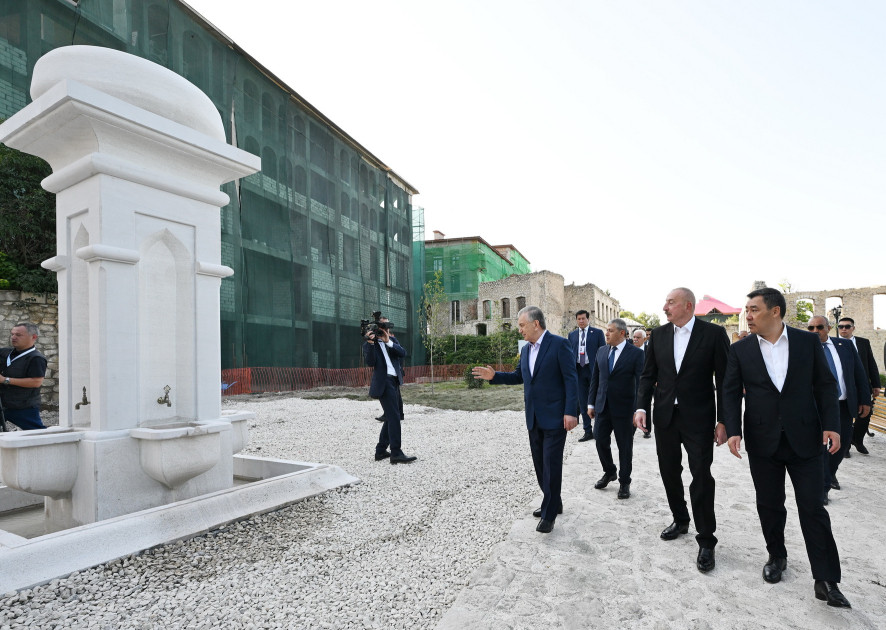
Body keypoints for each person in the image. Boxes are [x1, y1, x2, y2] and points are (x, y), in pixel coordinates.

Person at [722, 288, 850, 608]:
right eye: (747, 310)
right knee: (769, 505)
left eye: (753, 309)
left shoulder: (807, 342)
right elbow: (729, 391)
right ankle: (776, 556)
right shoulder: (740, 350)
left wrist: (832, 425)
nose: (748, 315)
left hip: (806, 438)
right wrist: (733, 430)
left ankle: (826, 579)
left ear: (775, 311)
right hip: (762, 439)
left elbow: (825, 384)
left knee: (813, 508)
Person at [634, 288, 729, 573]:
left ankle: (706, 539)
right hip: (665, 416)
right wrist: (641, 407)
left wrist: (724, 420)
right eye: (665, 302)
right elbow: (648, 375)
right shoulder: (658, 335)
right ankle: (680, 519)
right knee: (668, 471)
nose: (665, 307)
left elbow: (725, 380)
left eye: (671, 303)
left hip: (699, 418)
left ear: (688, 306)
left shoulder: (713, 335)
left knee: (701, 475)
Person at [473, 306, 578, 534]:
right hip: (533, 417)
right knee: (540, 465)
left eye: (522, 325)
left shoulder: (559, 345)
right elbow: (519, 376)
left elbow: (571, 379)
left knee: (551, 466)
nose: (519, 329)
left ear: (535, 324)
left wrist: (571, 412)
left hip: (555, 417)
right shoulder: (526, 349)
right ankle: (554, 501)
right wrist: (495, 376)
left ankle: (549, 514)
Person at [805, 316, 869, 501]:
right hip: (816, 407)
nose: (815, 331)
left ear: (828, 327)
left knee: (841, 445)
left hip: (843, 405)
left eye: (819, 327)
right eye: (811, 328)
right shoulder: (804, 349)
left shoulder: (845, 346)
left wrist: (865, 400)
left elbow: (859, 373)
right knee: (821, 446)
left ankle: (829, 473)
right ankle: (823, 488)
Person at [588, 319, 644, 499]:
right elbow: (595, 379)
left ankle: (624, 481)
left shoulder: (636, 354)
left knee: (624, 446)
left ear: (622, 333)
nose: (606, 333)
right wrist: (591, 404)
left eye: (610, 331)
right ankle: (610, 471)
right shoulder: (601, 351)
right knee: (599, 439)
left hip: (625, 409)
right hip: (602, 406)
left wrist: (638, 409)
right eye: (606, 330)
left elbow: (641, 384)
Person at [363, 322, 416, 464]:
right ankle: (396, 453)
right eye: (381, 329)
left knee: (392, 415)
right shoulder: (370, 344)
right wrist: (370, 343)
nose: (384, 331)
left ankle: (380, 451)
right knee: (394, 417)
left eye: (385, 329)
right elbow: (370, 362)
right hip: (384, 383)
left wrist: (388, 342)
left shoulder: (392, 340)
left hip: (394, 381)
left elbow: (403, 353)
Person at [837, 317, 880, 454]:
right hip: (844, 386)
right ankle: (845, 446)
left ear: (853, 328)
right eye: (841, 326)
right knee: (845, 416)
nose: (844, 329)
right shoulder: (833, 343)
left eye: (847, 326)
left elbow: (871, 363)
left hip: (862, 385)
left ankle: (857, 439)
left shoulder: (863, 343)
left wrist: (876, 384)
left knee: (865, 414)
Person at [0, 323, 48, 430]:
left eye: (18, 335)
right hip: (2, 403)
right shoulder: (5, 353)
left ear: (34, 337)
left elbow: (36, 382)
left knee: (37, 433)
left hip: (23, 406)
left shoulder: (36, 358)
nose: (13, 337)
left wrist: (5, 380)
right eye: (12, 334)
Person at [568, 310, 604, 442]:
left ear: (588, 319)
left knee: (597, 400)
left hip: (594, 370)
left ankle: (599, 430)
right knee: (583, 401)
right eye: (579, 319)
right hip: (579, 370)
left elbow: (603, 351)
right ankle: (588, 431)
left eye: (583, 318)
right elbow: (569, 353)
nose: (581, 321)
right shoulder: (572, 335)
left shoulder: (597, 333)